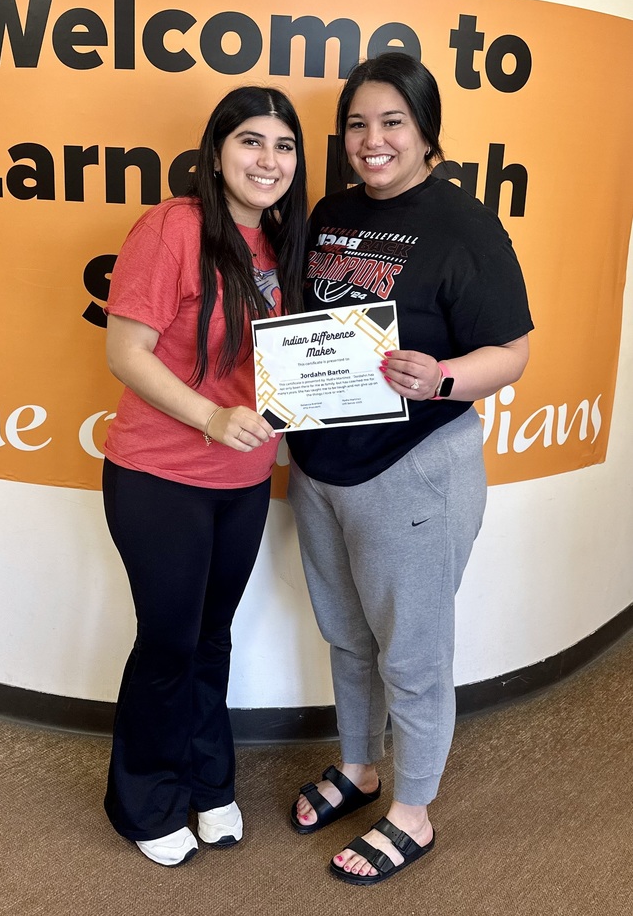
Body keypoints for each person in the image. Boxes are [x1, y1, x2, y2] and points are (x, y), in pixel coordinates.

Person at [287, 52, 533, 886]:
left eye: (392, 121)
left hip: (412, 469)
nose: (372, 139)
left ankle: (412, 812)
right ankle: (360, 768)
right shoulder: (330, 212)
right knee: (346, 635)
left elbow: (512, 352)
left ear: (426, 131)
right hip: (320, 464)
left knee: (412, 655)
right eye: (357, 124)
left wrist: (443, 377)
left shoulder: (465, 226)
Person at [101, 86, 307, 867]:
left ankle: (206, 780)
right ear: (216, 151)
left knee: (210, 638)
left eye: (283, 145)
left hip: (243, 481)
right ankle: (143, 800)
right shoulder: (173, 227)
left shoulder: (281, 243)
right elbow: (125, 352)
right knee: (167, 642)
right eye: (250, 140)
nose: (268, 160)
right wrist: (210, 418)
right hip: (160, 476)